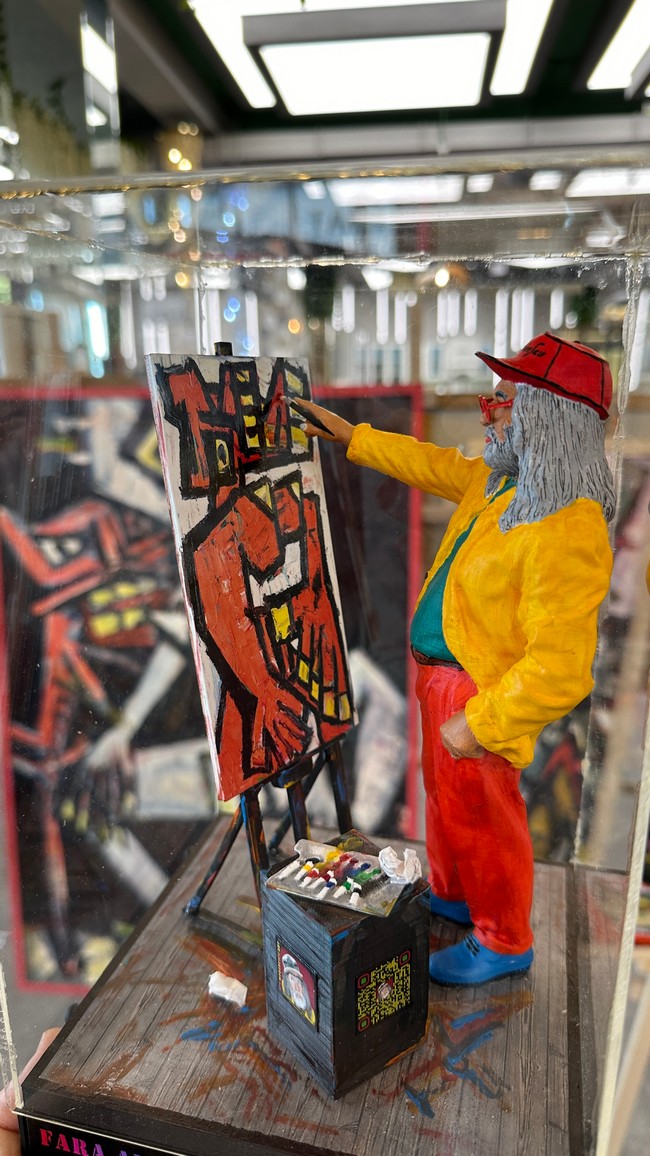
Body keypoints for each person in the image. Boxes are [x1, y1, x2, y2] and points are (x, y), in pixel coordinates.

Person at [294, 331, 616, 986]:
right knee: (444, 804)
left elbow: (562, 667)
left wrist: (482, 721)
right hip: (440, 682)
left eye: (501, 401)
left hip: (479, 698)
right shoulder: (497, 485)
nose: (485, 412)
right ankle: (454, 895)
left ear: (547, 417)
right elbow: (428, 462)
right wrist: (353, 437)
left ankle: (504, 938)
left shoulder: (568, 525)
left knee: (486, 819)